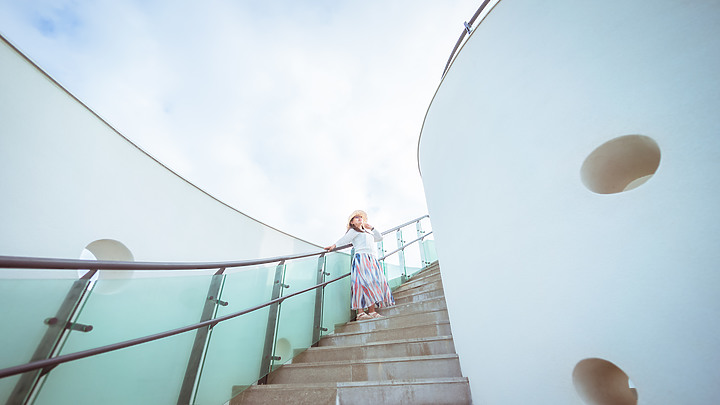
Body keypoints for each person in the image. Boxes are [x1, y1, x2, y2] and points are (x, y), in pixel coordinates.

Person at [325, 210, 395, 321]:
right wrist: (334, 245)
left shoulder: (368, 232)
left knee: (373, 282)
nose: (359, 218)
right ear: (352, 222)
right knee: (361, 283)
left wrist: (371, 228)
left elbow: (380, 238)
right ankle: (360, 312)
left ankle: (372, 311)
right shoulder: (353, 231)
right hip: (361, 258)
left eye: (360, 217)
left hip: (372, 259)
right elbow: (344, 240)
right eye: (356, 217)